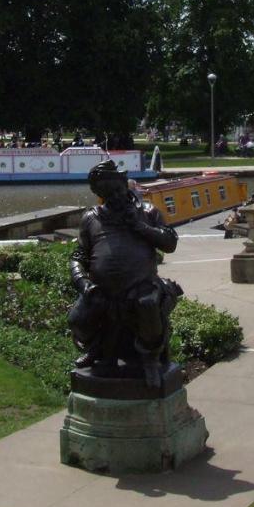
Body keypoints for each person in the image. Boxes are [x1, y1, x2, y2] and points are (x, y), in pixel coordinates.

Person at [68, 161, 182, 388]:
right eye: (109, 194)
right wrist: (83, 282)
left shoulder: (147, 212)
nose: (117, 197)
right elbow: (78, 256)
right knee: (77, 320)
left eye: (119, 190)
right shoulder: (92, 217)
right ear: (101, 195)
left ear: (125, 185)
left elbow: (170, 243)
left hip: (141, 284)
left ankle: (149, 360)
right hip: (102, 289)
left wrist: (140, 227)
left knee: (147, 305)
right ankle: (96, 350)